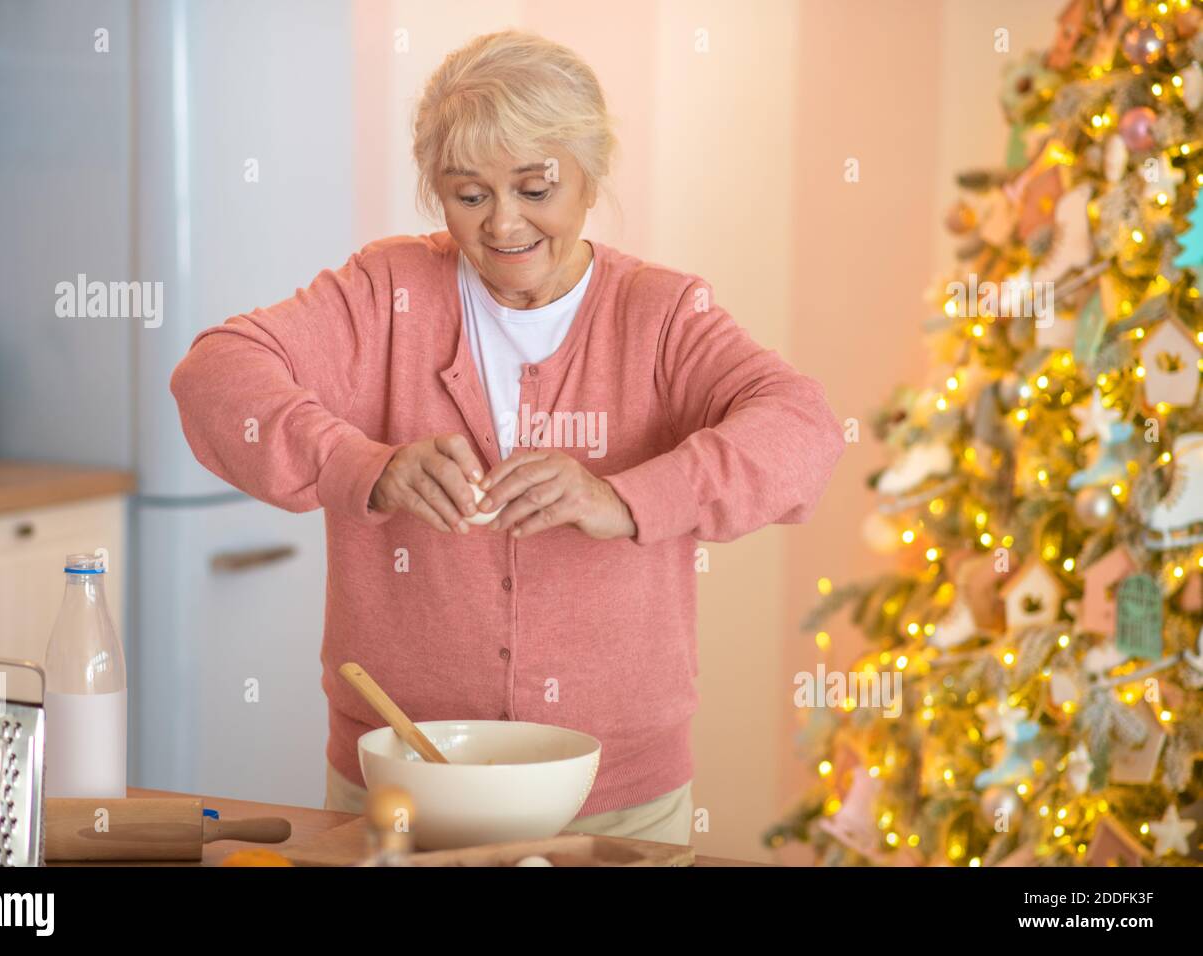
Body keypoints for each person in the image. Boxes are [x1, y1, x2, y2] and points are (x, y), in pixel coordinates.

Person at [169, 29, 846, 846]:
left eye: (535, 188)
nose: (504, 224)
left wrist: (626, 497)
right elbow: (213, 375)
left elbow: (804, 427)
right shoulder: (388, 292)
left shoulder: (661, 314)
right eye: (469, 194)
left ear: (589, 177)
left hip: (619, 796)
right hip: (400, 786)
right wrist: (360, 466)